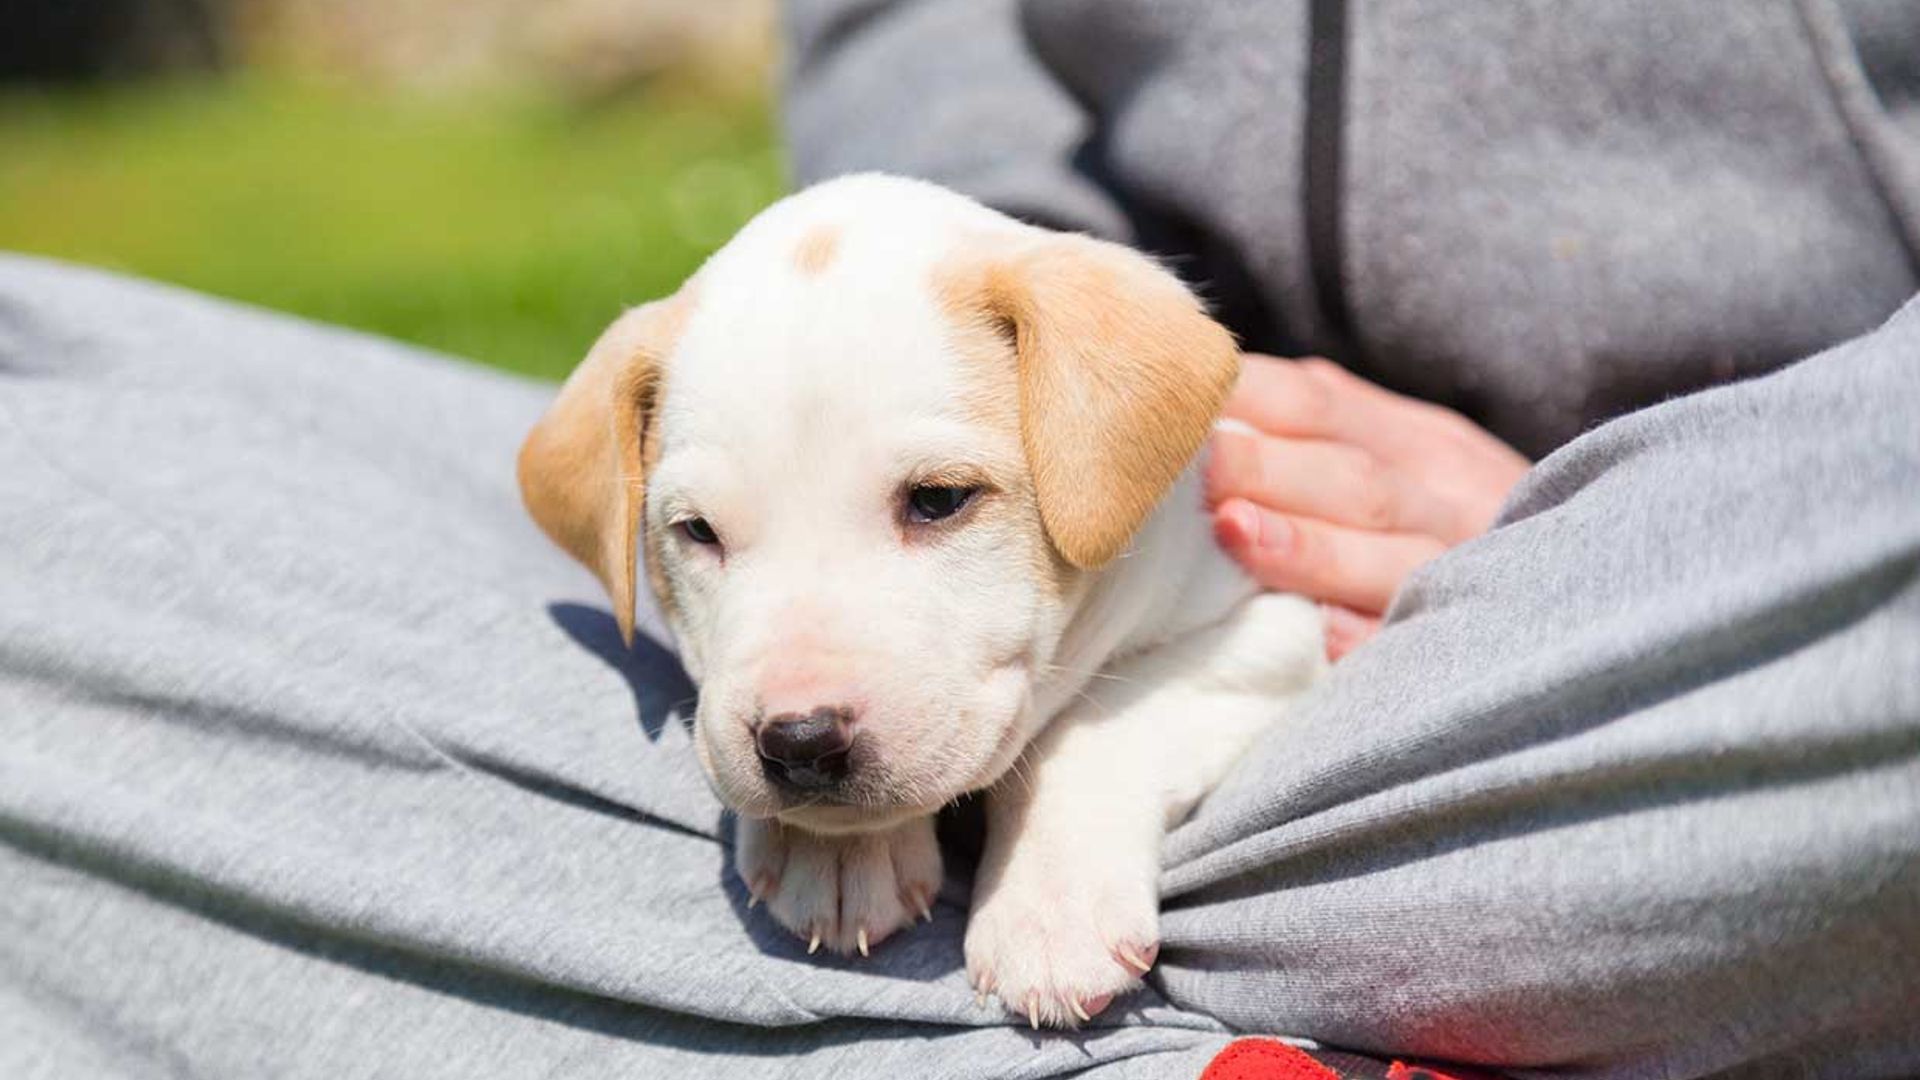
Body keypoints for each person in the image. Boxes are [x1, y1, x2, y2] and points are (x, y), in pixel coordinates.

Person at [1, 3, 1915, 1079]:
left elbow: (1227, 640)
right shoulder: (902, 384)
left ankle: (817, 1018)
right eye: (698, 545)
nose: (799, 697)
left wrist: (1625, 544)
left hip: (1728, 601)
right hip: (1097, 330)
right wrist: (963, 258)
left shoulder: (1105, 416)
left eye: (939, 505)